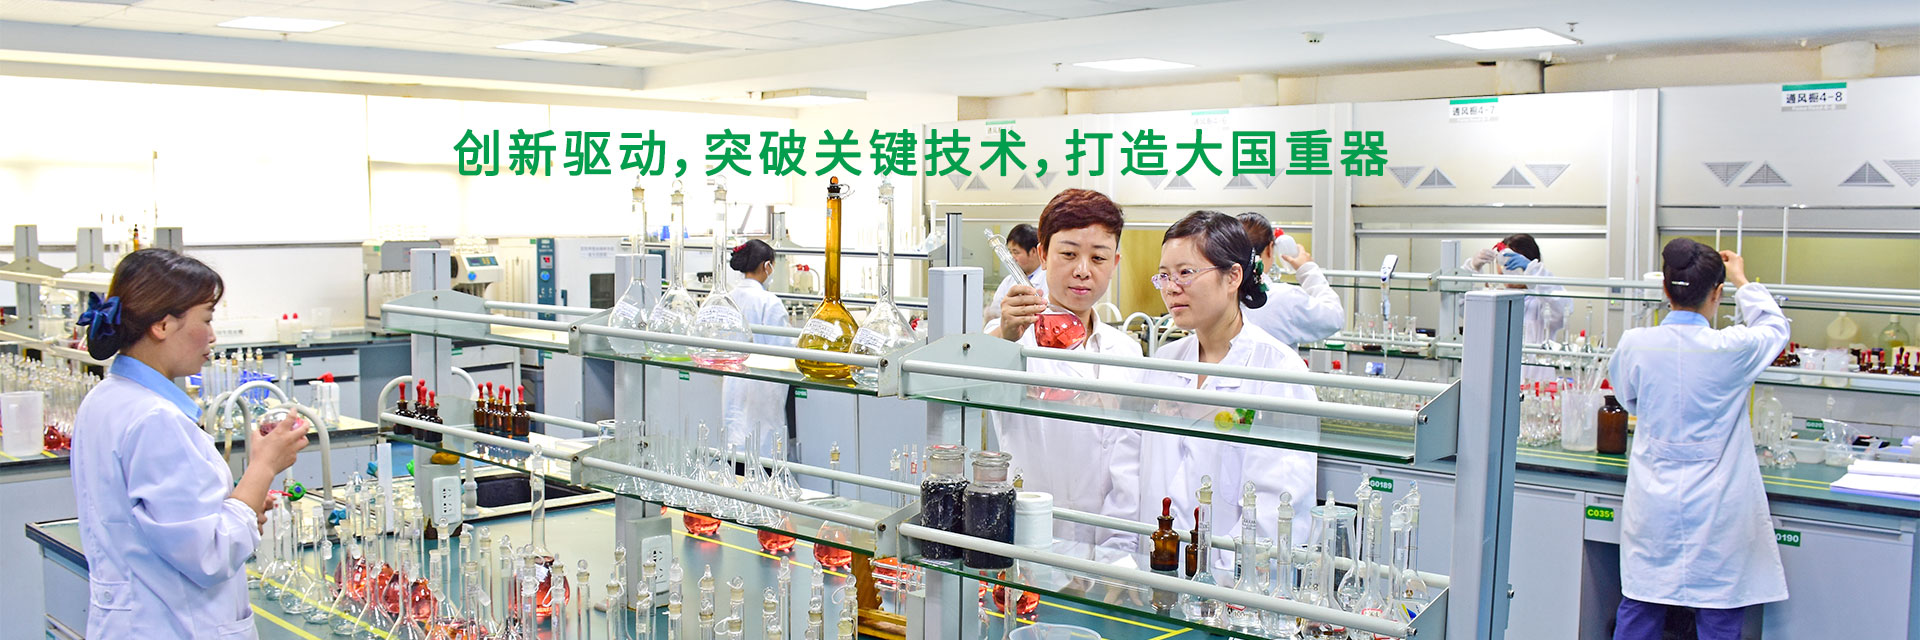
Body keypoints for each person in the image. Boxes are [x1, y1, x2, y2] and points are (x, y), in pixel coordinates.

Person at [69, 248, 310, 639]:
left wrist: (240, 504)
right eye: (207, 319)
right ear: (163, 325)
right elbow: (210, 555)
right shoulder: (155, 419)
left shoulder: (106, 398)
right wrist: (264, 466)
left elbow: (160, 524)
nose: (212, 336)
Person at [1608, 241, 1787, 640]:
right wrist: (1743, 280)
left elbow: (1627, 397)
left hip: (1654, 503)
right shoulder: (1733, 347)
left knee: (1642, 603)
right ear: (1717, 292)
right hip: (1718, 507)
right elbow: (1775, 327)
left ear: (1665, 289)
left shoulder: (1637, 343)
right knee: (1719, 611)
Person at [1129, 211, 1317, 573]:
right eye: (1164, 276)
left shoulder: (1276, 371)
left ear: (1233, 276)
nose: (1171, 288)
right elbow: (1134, 472)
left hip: (1232, 585)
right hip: (1155, 567)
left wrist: (1221, 578)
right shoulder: (1164, 363)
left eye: (1186, 272)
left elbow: (1278, 506)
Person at [988, 189, 1140, 566]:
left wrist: (1118, 554)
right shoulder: (1012, 337)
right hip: (1028, 542)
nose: (1083, 270)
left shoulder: (1126, 351)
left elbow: (1129, 465)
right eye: (1069, 254)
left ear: (1115, 262)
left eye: (1098, 257)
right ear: (1043, 255)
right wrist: (1005, 335)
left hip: (1108, 548)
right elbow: (968, 382)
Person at [722, 239, 795, 459]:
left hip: (734, 382)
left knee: (737, 448)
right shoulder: (768, 301)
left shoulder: (728, 298)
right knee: (764, 451)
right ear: (767, 266)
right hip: (762, 387)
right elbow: (783, 349)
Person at [1465, 233, 1571, 378]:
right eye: (1503, 262)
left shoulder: (1541, 302)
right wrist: (1471, 268)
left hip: (1535, 385)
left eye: (1513, 262)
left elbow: (1564, 308)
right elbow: (1461, 308)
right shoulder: (1493, 299)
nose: (1507, 269)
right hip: (1495, 382)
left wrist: (1532, 270)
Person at [1237, 212, 1345, 347]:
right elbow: (1334, 318)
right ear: (1270, 249)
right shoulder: (1284, 298)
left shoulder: (1219, 296)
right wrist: (1308, 269)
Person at [984, 223, 1047, 322]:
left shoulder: (1048, 279)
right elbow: (995, 314)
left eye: (1016, 252)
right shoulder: (1008, 281)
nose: (1011, 257)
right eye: (1010, 252)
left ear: (1034, 251)